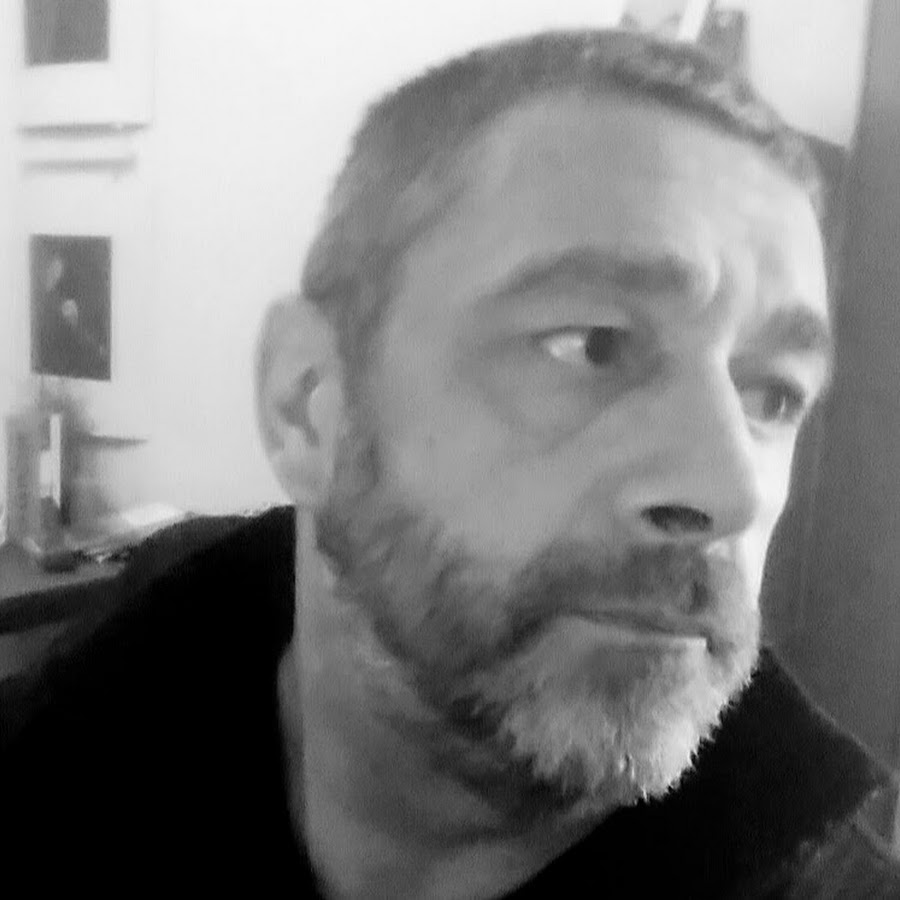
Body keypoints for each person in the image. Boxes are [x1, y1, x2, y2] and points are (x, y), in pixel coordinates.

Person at [2, 29, 899, 898]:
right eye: (592, 344)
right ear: (307, 404)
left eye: (773, 395)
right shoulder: (65, 751)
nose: (730, 489)